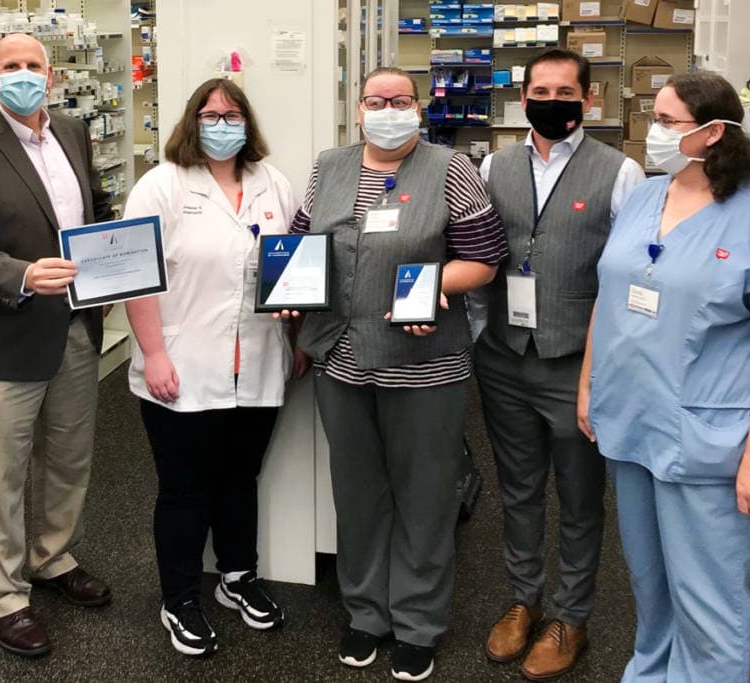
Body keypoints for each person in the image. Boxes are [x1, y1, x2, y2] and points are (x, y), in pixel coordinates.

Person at [289, 66, 507, 681]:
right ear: (359, 110)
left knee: (425, 495)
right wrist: (291, 295)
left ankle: (417, 621)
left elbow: (485, 257)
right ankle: (365, 613)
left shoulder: (450, 170)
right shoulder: (329, 167)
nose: (388, 109)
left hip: (425, 365)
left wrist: (433, 286)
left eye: (400, 100)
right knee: (357, 493)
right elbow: (303, 244)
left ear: (419, 107)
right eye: (376, 100)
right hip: (342, 358)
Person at [0, 33, 113, 657]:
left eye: (34, 66)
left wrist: (115, 252)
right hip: (3, 336)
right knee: (1, 474)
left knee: (69, 458)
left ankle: (53, 556)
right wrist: (22, 274)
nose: (24, 75)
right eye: (11, 66)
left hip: (73, 328)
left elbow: (96, 204)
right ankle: (4, 595)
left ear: (52, 75)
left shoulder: (72, 132)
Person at [473, 48, 645, 680]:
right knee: (517, 488)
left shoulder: (620, 172)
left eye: (564, 91)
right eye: (540, 90)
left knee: (578, 496)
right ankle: (524, 599)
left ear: (587, 100)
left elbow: (628, 277)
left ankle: (571, 615)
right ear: (523, 98)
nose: (551, 100)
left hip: (576, 362)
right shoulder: (494, 165)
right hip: (503, 356)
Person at [580, 71, 750, 683]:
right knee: (649, 583)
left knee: (708, 596)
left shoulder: (749, 214)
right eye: (650, 118)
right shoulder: (644, 196)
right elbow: (610, 292)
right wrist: (588, 384)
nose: (650, 132)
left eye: (665, 121)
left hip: (707, 437)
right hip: (631, 418)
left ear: (712, 133)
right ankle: (652, 672)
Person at [123, 78, 296, 657]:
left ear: (248, 121)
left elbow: (289, 267)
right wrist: (153, 353)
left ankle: (237, 577)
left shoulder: (274, 183)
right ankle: (178, 598)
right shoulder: (161, 186)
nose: (222, 123)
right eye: (210, 113)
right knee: (184, 489)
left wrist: (296, 337)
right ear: (191, 121)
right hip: (182, 361)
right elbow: (135, 276)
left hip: (260, 358)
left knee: (239, 478)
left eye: (232, 114)